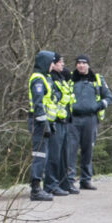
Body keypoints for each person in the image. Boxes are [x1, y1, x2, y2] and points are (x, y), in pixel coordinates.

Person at [69, 55, 112, 190]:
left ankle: (85, 180)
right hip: (73, 119)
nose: (81, 65)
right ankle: (69, 180)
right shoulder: (69, 78)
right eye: (79, 63)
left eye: (84, 63)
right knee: (70, 150)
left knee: (88, 150)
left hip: (90, 119)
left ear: (88, 65)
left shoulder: (97, 79)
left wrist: (98, 106)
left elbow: (108, 97)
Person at [26, 50, 58, 201]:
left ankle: (38, 186)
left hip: (43, 122)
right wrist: (43, 122)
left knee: (43, 155)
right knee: (39, 155)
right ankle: (35, 189)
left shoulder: (45, 77)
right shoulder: (38, 79)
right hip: (38, 122)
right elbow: (38, 103)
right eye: (51, 62)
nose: (53, 65)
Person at [43, 54, 75, 196]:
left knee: (63, 156)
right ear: (53, 63)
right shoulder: (50, 79)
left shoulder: (62, 78)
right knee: (53, 157)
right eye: (60, 62)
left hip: (64, 121)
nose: (63, 65)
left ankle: (64, 183)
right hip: (54, 122)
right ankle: (51, 185)